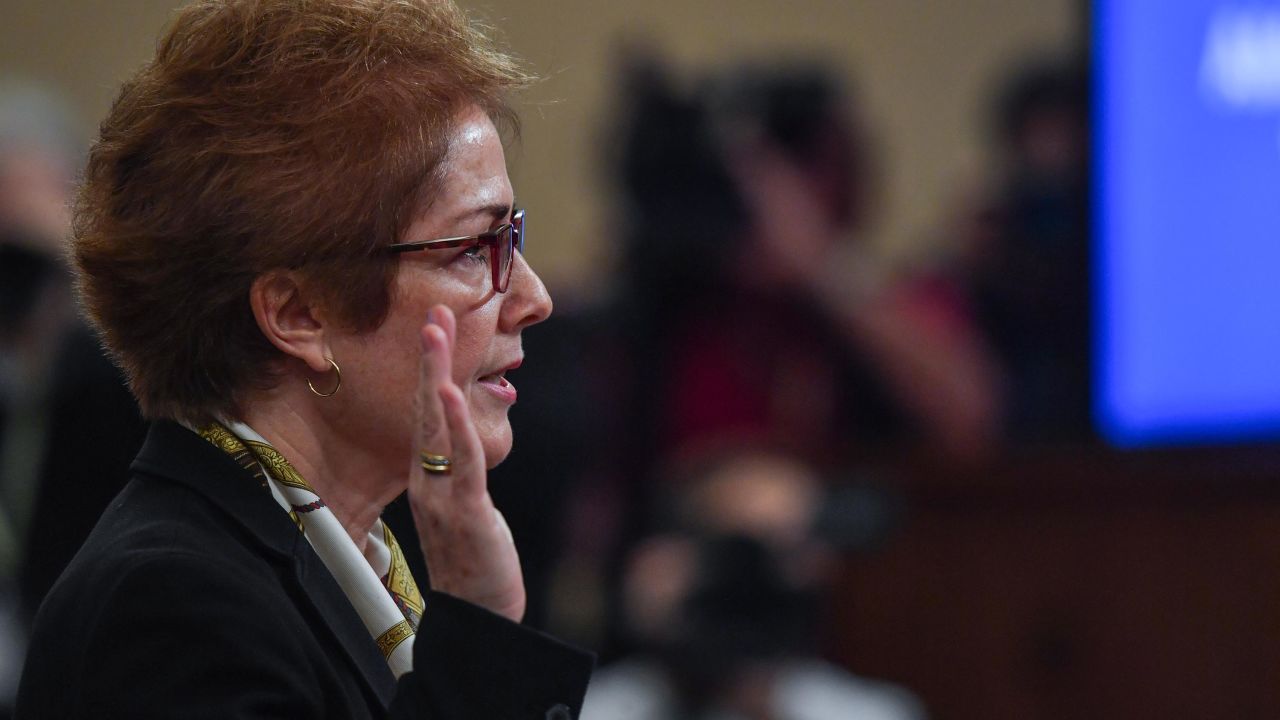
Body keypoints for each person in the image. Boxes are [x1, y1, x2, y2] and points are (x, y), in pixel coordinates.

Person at [16, 1, 593, 717]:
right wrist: (477, 641)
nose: (534, 297)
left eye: (513, 236)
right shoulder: (171, 610)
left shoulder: (342, 562)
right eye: (475, 248)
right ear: (300, 316)